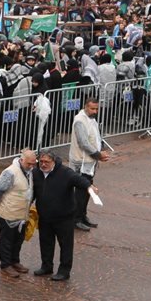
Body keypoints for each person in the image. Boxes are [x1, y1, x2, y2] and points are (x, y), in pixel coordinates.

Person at [30, 150, 93, 281]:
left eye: (46, 162)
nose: (43, 164)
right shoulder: (36, 173)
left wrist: (89, 187)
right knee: (46, 242)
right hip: (45, 216)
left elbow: (79, 180)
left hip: (64, 217)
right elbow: (33, 192)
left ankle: (64, 271)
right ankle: (46, 266)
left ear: (53, 162)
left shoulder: (65, 173)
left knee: (65, 245)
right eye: (41, 162)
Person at [0, 150, 35, 277]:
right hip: (8, 213)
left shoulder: (28, 171)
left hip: (21, 214)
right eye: (29, 164)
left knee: (18, 239)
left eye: (33, 164)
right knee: (7, 240)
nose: (31, 166)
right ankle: (5, 265)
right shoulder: (10, 172)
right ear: (22, 160)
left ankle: (15, 261)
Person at [67, 98, 109, 230]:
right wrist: (98, 154)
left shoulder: (92, 119)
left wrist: (100, 150)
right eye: (92, 108)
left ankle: (83, 216)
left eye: (96, 109)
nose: (95, 111)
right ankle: (76, 219)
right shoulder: (80, 120)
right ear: (85, 107)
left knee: (87, 191)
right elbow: (83, 143)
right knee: (80, 192)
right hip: (81, 162)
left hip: (90, 162)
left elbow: (96, 137)